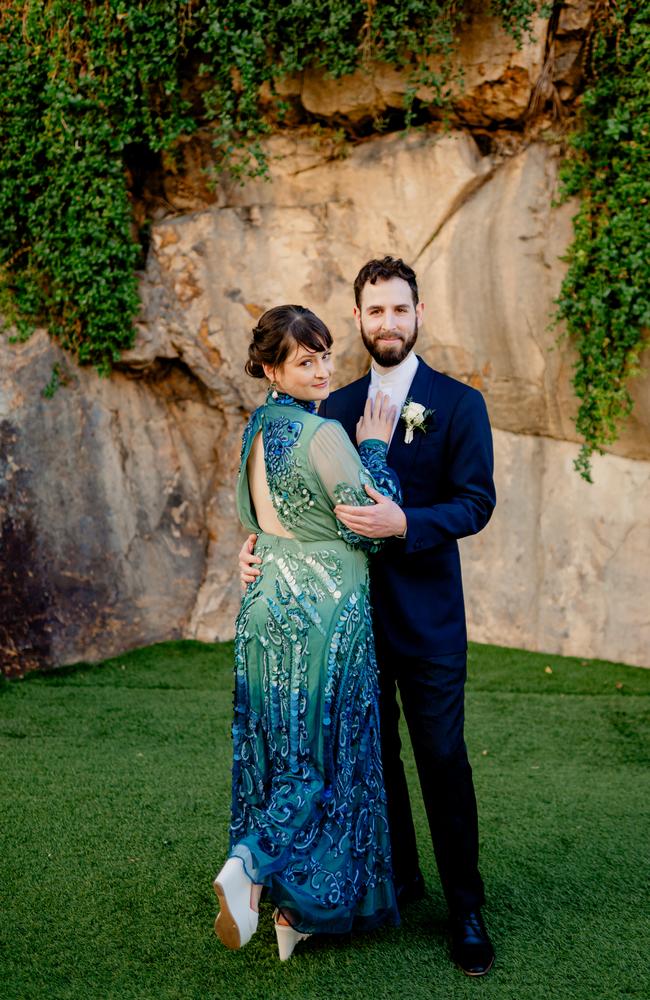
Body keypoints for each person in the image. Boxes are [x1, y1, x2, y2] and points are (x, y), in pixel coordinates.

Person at [240, 258, 497, 976]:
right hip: (346, 627)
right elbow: (295, 503)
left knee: (442, 759)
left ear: (419, 314)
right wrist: (258, 549)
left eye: (399, 309)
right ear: (356, 319)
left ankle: (466, 907)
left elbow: (476, 504)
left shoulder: (459, 403)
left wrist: (403, 520)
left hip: (430, 622)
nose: (387, 322)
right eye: (374, 311)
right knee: (371, 758)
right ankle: (399, 877)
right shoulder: (331, 400)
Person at [213, 303, 402, 961]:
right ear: (271, 367)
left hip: (266, 604)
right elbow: (367, 525)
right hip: (324, 613)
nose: (322, 370)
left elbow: (262, 519)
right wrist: (374, 446)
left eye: (325, 354)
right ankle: (252, 864)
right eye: (305, 360)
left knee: (278, 748)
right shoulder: (324, 437)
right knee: (323, 757)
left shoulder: (257, 429)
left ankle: (295, 914)